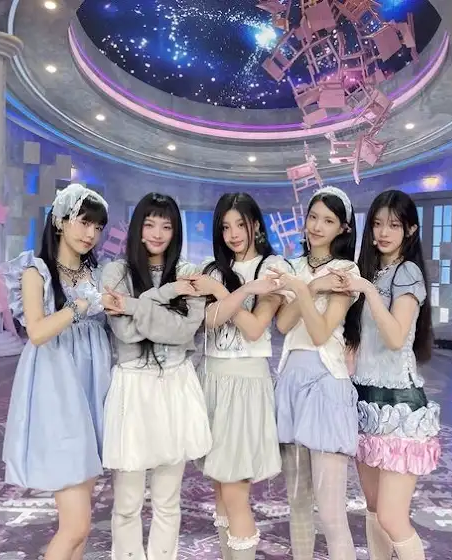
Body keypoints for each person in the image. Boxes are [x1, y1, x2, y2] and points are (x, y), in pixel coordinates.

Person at [2, 184, 123, 560]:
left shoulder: (97, 273)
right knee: (76, 526)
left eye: (97, 227)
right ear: (59, 220)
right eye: (84, 223)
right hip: (57, 390)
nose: (91, 234)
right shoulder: (36, 271)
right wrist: (80, 306)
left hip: (92, 388)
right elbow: (37, 331)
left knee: (80, 525)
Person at [100, 193, 212, 560]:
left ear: (176, 230)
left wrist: (134, 306)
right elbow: (125, 333)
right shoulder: (116, 273)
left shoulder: (189, 273)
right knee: (127, 501)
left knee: (167, 500)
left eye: (166, 225)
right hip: (133, 385)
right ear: (137, 228)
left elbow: (184, 331)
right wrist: (166, 298)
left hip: (174, 384)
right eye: (149, 224)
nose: (158, 233)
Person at [339, 190, 440, 560]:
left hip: (398, 405)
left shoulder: (406, 272)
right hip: (365, 402)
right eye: (378, 224)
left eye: (394, 225)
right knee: (373, 509)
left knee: (392, 516)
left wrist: (367, 290)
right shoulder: (368, 272)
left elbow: (396, 337)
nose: (383, 232)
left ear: (410, 229)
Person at [187, 193, 288, 560]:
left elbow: (256, 328)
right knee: (221, 489)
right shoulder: (213, 269)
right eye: (225, 227)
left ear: (255, 225)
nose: (233, 234)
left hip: (246, 383)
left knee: (234, 491)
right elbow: (208, 321)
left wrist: (221, 294)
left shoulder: (273, 267)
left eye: (240, 225)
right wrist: (242, 291)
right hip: (212, 378)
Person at [269, 186, 359, 560]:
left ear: (343, 228)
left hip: (325, 385)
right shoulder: (294, 267)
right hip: (291, 380)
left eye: (329, 220)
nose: (317, 226)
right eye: (313, 217)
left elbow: (321, 333)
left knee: (332, 513)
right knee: (298, 503)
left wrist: (305, 290)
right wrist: (311, 285)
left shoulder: (347, 271)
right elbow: (283, 324)